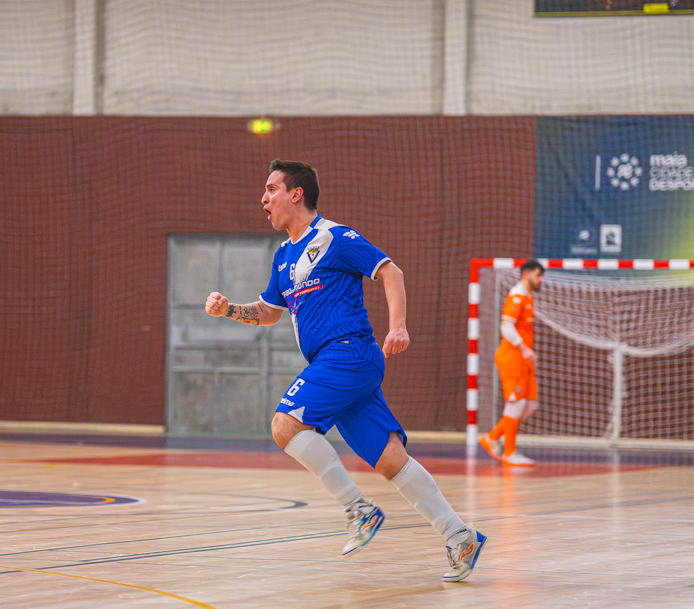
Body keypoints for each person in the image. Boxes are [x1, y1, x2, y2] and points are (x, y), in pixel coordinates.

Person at [205, 159, 486, 582]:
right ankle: (460, 535)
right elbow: (269, 312)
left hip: (348, 353)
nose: (263, 199)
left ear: (296, 194)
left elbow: (391, 272)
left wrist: (398, 327)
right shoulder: (283, 256)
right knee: (390, 460)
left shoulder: (335, 238)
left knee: (285, 425)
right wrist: (229, 310)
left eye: (271, 189)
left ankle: (359, 510)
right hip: (337, 364)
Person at [478, 259, 544, 467]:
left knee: (530, 404)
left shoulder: (528, 296)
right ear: (525, 274)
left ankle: (492, 437)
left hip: (523, 358)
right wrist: (524, 348)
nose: (541, 280)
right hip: (512, 356)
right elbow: (506, 326)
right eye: (538, 275)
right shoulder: (517, 295)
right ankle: (509, 452)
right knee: (516, 404)